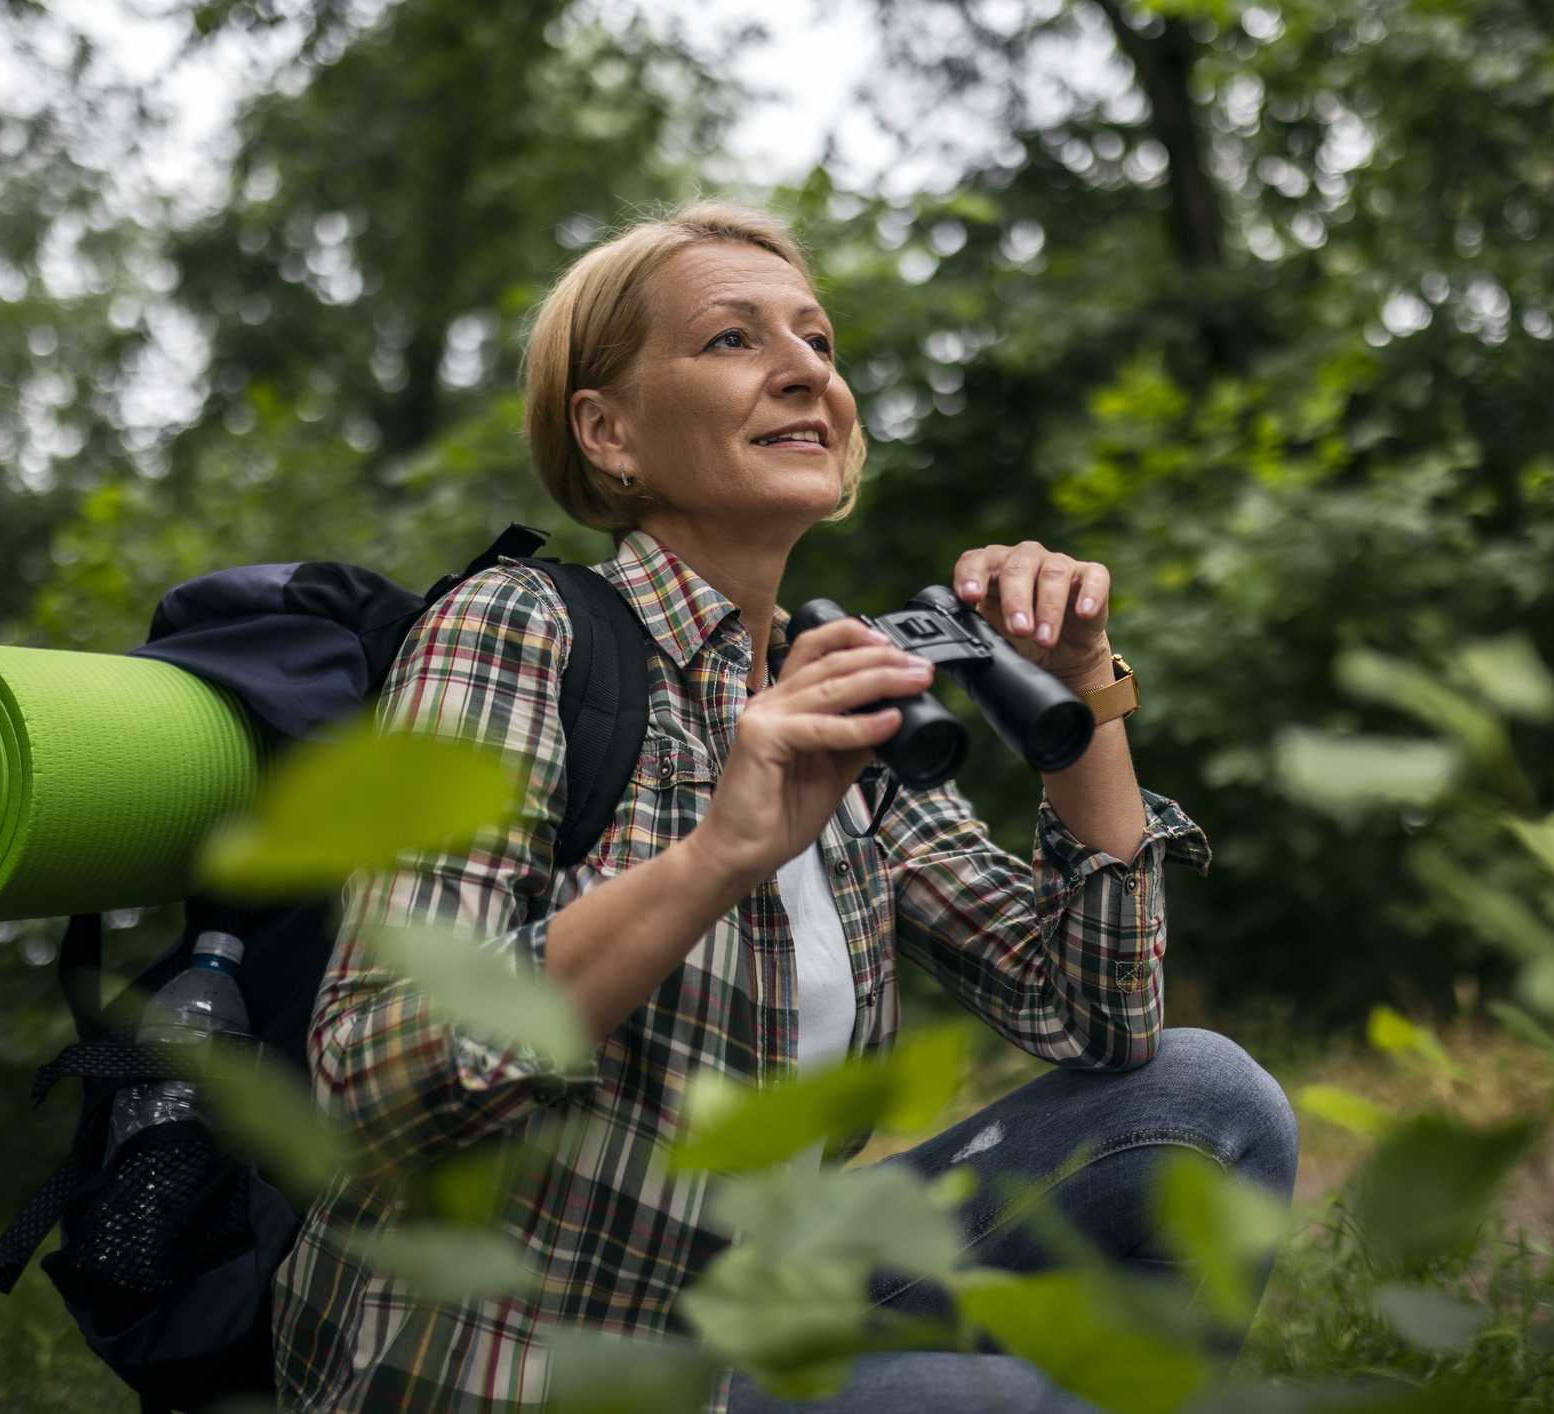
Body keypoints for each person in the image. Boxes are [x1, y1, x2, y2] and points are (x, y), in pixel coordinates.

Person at [271, 201, 1297, 1413]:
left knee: (1206, 1101)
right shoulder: (519, 627)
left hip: (749, 1307)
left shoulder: (827, 690)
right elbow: (376, 1077)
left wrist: (1086, 695)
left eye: (817, 341)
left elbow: (1100, 1017)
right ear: (608, 434)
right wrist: (721, 854)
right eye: (732, 340)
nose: (806, 368)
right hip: (527, 1359)